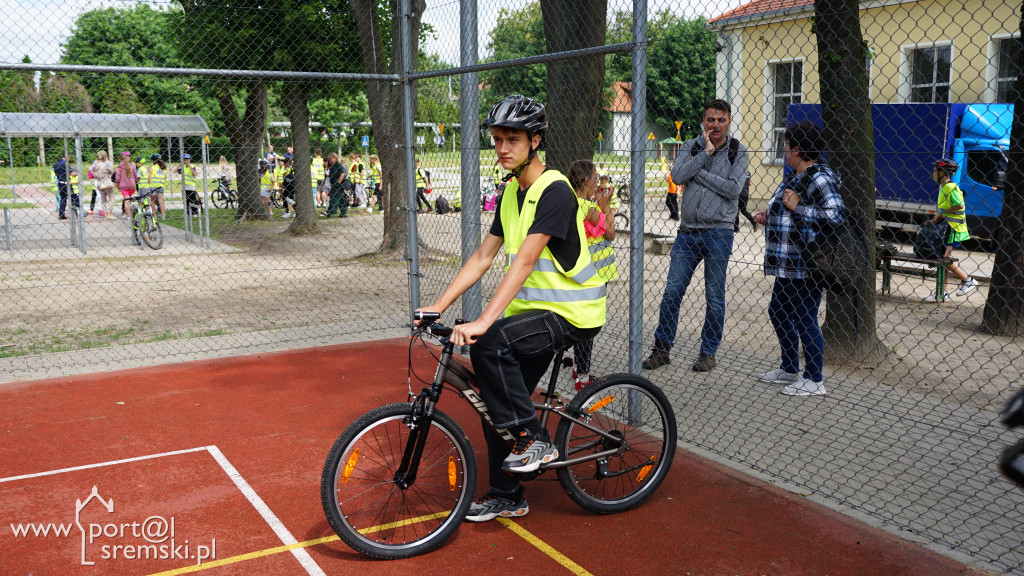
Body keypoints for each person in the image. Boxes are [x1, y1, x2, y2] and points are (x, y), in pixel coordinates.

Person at [416, 95, 606, 522]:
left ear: (535, 140)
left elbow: (523, 262)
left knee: (488, 344)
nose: (502, 147)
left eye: (512, 139)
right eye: (498, 139)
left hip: (573, 314)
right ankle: (508, 495)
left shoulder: (554, 190)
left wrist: (485, 320)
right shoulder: (509, 193)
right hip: (534, 315)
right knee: (493, 397)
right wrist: (438, 305)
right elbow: (483, 257)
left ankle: (535, 439)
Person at [643, 99, 749, 373]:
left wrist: (697, 172)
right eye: (710, 119)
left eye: (721, 120)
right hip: (687, 233)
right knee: (671, 293)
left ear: (729, 122)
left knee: (714, 297)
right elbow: (677, 176)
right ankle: (662, 349)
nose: (715, 124)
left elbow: (733, 190)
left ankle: (708, 352)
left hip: (719, 233)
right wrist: (704, 155)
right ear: (703, 122)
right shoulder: (691, 146)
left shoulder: (738, 151)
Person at [752, 120, 842, 397]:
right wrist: (769, 217)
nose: (783, 149)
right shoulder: (794, 176)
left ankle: (814, 379)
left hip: (806, 264)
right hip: (787, 263)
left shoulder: (820, 177)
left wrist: (799, 207)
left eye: (787, 144)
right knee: (778, 312)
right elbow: (788, 210)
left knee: (805, 318)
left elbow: (835, 215)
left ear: (798, 149)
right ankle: (790, 367)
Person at [567, 159, 617, 391]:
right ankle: (583, 376)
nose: (598, 181)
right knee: (588, 325)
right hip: (596, 273)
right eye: (595, 177)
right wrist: (605, 205)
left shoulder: (571, 202)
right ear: (587, 180)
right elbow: (610, 234)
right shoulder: (588, 208)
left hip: (581, 271)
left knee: (579, 319)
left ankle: (579, 368)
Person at [924, 158, 977, 302]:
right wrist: (936, 217)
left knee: (944, 258)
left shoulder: (950, 187)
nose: (933, 173)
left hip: (953, 229)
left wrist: (941, 213)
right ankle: (943, 292)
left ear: (942, 172)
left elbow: (959, 205)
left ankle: (967, 280)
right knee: (944, 258)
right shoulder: (944, 187)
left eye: (935, 170)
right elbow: (946, 209)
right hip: (948, 228)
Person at [90, 151, 116, 220]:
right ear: (105, 156)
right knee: (112, 198)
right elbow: (112, 172)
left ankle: (105, 214)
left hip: (98, 182)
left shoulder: (95, 164)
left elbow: (90, 169)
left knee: (103, 199)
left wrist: (95, 175)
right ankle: (109, 213)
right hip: (106, 182)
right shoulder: (106, 164)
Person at [322, 153, 349, 218]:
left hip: (337, 185)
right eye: (329, 159)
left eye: (331, 158)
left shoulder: (338, 165)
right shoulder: (332, 165)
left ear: (335, 158)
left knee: (334, 198)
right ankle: (343, 212)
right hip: (333, 184)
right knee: (341, 198)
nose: (329, 160)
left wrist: (338, 182)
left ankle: (329, 212)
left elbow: (342, 174)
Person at [53, 153, 79, 220]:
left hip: (60, 183)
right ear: (68, 156)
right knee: (74, 198)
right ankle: (79, 213)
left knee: (63, 199)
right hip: (66, 184)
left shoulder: (56, 164)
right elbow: (73, 174)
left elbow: (56, 174)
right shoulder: (65, 164)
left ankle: (61, 214)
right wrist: (76, 170)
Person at [114, 151, 136, 219]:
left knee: (126, 201)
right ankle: (126, 214)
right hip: (132, 186)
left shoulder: (119, 168)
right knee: (128, 200)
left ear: (120, 159)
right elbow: (135, 176)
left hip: (124, 186)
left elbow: (117, 178)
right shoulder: (132, 166)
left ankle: (129, 216)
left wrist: (117, 184)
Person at [149, 154, 168, 219]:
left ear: (154, 160)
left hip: (153, 186)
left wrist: (148, 182)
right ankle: (163, 216)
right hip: (161, 186)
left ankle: (154, 216)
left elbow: (149, 178)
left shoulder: (153, 168)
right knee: (161, 201)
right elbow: (165, 177)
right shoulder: (163, 167)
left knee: (152, 201)